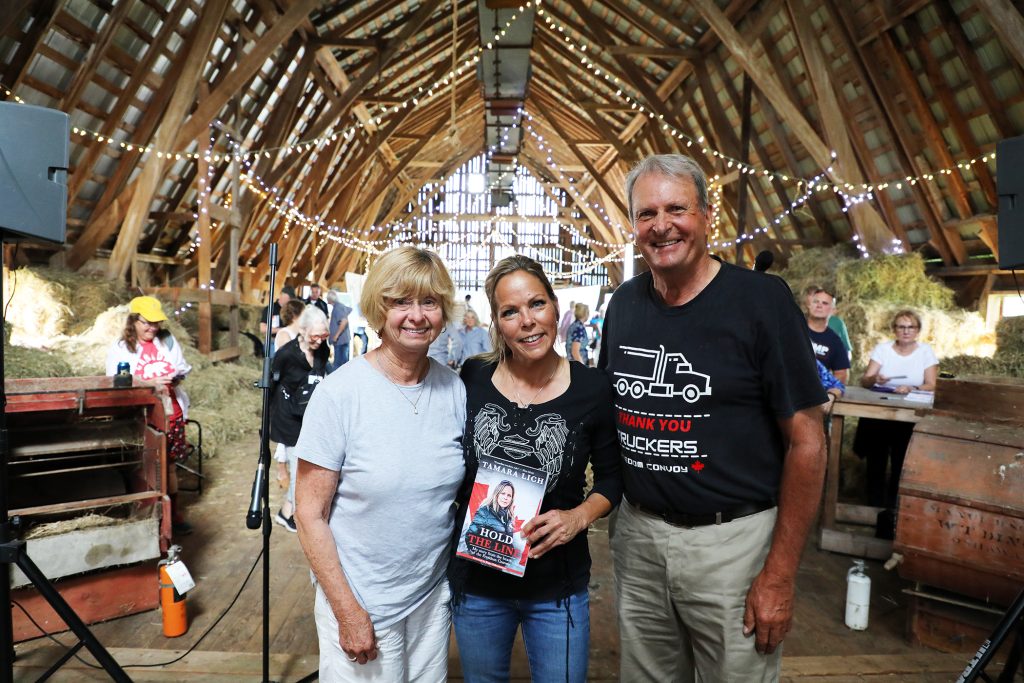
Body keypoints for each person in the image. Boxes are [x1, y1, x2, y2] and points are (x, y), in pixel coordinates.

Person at [599, 154, 826, 682]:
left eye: (676, 208)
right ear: (633, 226)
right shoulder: (625, 304)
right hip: (640, 538)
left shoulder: (761, 302)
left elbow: (808, 441)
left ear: (705, 215)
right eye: (646, 213)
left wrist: (780, 574)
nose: (661, 225)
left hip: (733, 547)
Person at [293, 247, 465, 681]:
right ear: (377, 308)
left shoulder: (455, 390)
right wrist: (348, 611)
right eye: (401, 301)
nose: (417, 315)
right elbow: (309, 513)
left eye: (429, 301)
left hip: (428, 599)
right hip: (361, 601)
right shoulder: (340, 394)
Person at [451, 255, 621, 683]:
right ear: (497, 322)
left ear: (556, 308)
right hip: (479, 585)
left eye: (536, 304)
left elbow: (612, 479)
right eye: (511, 311)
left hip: (556, 587)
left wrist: (578, 517)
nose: (527, 321)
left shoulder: (592, 387)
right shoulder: (473, 377)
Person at [106, 296, 194, 535]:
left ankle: (174, 515)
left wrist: (175, 378)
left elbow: (182, 367)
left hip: (170, 408)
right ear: (133, 321)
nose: (151, 328)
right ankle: (147, 514)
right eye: (146, 323)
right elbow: (116, 381)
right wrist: (147, 382)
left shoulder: (167, 340)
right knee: (146, 464)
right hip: (142, 412)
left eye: (155, 323)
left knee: (171, 464)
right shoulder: (121, 348)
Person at [854, 310, 938, 512]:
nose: (906, 331)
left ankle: (895, 508)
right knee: (876, 460)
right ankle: (873, 506)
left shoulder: (926, 352)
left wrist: (913, 388)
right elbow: (865, 380)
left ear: (917, 331)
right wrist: (876, 379)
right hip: (882, 411)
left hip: (909, 414)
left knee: (902, 462)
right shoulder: (883, 349)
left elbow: (932, 384)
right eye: (901, 326)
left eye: (911, 327)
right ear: (894, 330)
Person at [271, 305, 330, 532]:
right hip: (289, 419)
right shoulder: (286, 355)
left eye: (324, 336)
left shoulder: (322, 350)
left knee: (307, 467)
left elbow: (320, 376)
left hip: (310, 415)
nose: (319, 341)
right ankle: (294, 514)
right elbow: (272, 385)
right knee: (300, 468)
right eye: (315, 336)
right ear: (303, 331)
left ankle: (286, 512)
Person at [805, 285, 850, 383]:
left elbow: (841, 374)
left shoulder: (835, 341)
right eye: (816, 301)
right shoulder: (792, 328)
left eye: (825, 303)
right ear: (809, 305)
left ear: (833, 310)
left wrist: (828, 390)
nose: (819, 305)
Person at [260, 285, 295, 356]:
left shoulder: (292, 310)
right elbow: (263, 329)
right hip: (272, 341)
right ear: (282, 295)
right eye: (288, 297)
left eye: (290, 298)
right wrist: (281, 330)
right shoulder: (270, 309)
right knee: (275, 358)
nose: (289, 300)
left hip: (289, 341)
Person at [327, 289, 352, 372]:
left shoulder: (338, 307)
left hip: (340, 341)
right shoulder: (340, 306)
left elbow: (344, 321)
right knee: (341, 364)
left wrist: (335, 336)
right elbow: (349, 309)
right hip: (342, 340)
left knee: (339, 365)